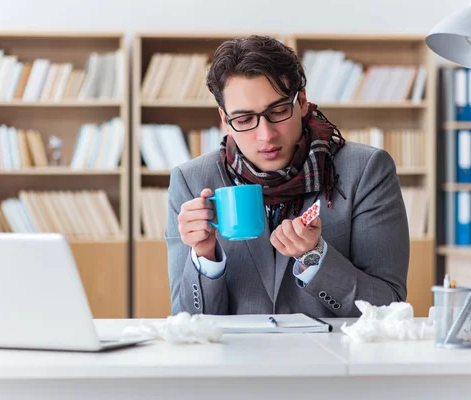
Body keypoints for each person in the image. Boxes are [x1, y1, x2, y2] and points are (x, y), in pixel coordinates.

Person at [165, 35, 409, 317]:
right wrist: (204, 255)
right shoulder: (190, 181)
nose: (266, 135)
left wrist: (316, 258)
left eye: (279, 111)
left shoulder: (366, 170)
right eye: (244, 120)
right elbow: (186, 322)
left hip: (331, 358)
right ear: (224, 120)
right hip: (233, 359)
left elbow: (390, 309)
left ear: (302, 102)